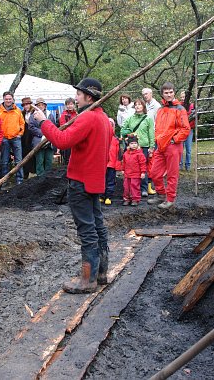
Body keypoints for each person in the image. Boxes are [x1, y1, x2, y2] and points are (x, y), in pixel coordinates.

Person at [32, 77, 111, 294]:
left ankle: (88, 280)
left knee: (87, 230)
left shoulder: (88, 118)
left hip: (81, 182)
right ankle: (101, 273)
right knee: (97, 226)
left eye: (78, 94)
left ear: (88, 97)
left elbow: (62, 141)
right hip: (94, 181)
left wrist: (43, 122)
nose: (76, 98)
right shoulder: (103, 118)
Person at [148, 82, 190, 209]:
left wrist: (174, 139)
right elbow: (157, 127)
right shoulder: (160, 110)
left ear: (174, 93)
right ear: (162, 94)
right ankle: (161, 194)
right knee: (154, 173)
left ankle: (170, 199)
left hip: (173, 146)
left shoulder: (180, 109)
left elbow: (186, 129)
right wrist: (157, 140)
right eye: (166, 92)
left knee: (172, 174)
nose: (169, 94)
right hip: (160, 146)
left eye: (171, 92)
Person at [120, 98, 155, 197]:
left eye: (139, 104)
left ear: (143, 106)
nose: (137, 106)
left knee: (143, 167)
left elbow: (151, 133)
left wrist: (151, 146)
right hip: (131, 146)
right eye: (136, 105)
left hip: (143, 146)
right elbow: (123, 130)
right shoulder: (130, 118)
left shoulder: (148, 118)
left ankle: (144, 189)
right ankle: (131, 189)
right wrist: (129, 134)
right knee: (131, 167)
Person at [0, 91, 25, 185]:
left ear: (12, 99)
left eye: (10, 99)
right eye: (6, 99)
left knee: (19, 160)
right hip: (4, 138)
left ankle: (20, 180)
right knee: (4, 161)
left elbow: (22, 123)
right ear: (3, 99)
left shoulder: (18, 110)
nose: (8, 100)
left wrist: (20, 134)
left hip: (16, 137)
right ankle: (5, 181)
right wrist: (0, 136)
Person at [28, 97, 56, 176]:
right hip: (38, 141)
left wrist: (48, 134)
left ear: (45, 106)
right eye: (39, 105)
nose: (41, 106)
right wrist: (43, 133)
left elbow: (54, 126)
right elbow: (31, 127)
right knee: (39, 162)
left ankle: (48, 178)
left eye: (42, 105)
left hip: (49, 141)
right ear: (36, 106)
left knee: (49, 161)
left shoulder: (50, 115)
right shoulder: (33, 116)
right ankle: (40, 178)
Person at [121, 134, 147, 206]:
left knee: (134, 186)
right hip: (127, 174)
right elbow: (124, 162)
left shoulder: (140, 154)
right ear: (128, 145)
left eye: (135, 143)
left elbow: (143, 164)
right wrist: (123, 169)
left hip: (136, 174)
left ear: (137, 144)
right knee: (126, 187)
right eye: (132, 143)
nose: (134, 145)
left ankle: (135, 199)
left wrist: (143, 172)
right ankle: (126, 199)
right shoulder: (126, 153)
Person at [103, 118, 122, 205]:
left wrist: (117, 165)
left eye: (111, 125)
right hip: (102, 164)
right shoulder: (101, 137)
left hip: (112, 164)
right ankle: (101, 195)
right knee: (102, 180)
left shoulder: (116, 139)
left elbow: (118, 154)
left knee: (110, 181)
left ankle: (108, 196)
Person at [178, 90, 195, 171]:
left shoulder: (192, 106)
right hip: (181, 129)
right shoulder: (178, 106)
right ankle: (180, 165)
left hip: (189, 129)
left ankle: (188, 165)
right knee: (180, 148)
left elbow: (194, 117)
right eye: (181, 97)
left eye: (184, 97)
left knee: (188, 149)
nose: (182, 99)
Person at [20, 97, 36, 179]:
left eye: (27, 104)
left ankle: (33, 173)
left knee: (33, 155)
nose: (26, 106)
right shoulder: (22, 114)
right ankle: (25, 174)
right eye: (24, 105)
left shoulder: (35, 113)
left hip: (33, 137)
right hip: (24, 138)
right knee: (25, 155)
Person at [59, 97, 77, 164]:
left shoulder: (76, 114)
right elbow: (62, 126)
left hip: (75, 138)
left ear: (74, 105)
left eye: (71, 104)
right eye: (68, 104)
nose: (70, 106)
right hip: (67, 137)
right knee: (67, 158)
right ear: (66, 105)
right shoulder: (64, 114)